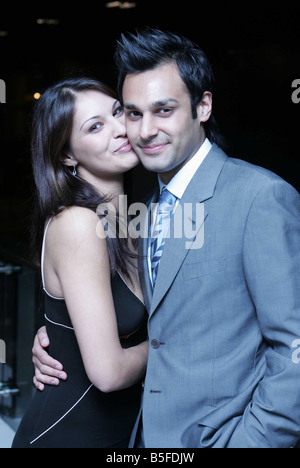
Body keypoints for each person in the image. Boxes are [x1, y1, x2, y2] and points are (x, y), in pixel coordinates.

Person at [32, 29, 300, 448]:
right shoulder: (148, 212)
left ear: (203, 105)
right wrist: (59, 336)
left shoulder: (259, 197)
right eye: (134, 113)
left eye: (163, 110)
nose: (139, 130)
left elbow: (294, 348)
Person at [12, 77, 148, 449]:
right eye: (95, 126)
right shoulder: (78, 223)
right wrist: (181, 345)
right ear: (67, 156)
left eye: (118, 112)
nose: (121, 128)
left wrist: (53, 334)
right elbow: (108, 372)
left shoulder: (137, 220)